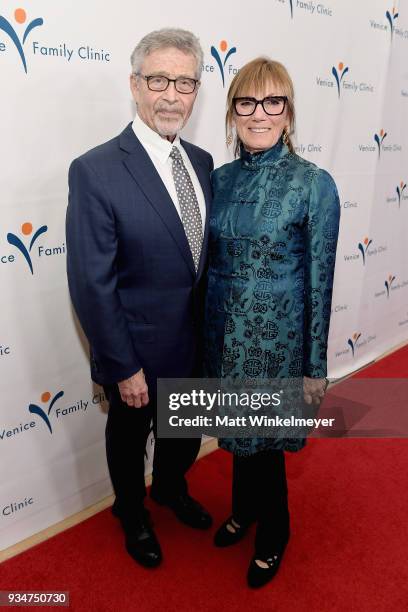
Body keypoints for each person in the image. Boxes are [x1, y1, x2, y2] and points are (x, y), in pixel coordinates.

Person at [66, 28, 213, 569]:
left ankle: (170, 490)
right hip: (136, 357)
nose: (172, 95)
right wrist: (122, 365)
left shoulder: (201, 161)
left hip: (195, 346)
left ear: (197, 90)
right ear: (134, 84)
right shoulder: (96, 169)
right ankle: (132, 512)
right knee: (130, 446)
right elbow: (90, 282)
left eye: (185, 82)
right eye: (159, 80)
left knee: (183, 437)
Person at [204, 57, 340, 588]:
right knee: (238, 438)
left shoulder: (313, 184)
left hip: (276, 343)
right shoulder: (219, 178)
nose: (259, 114)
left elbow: (320, 281)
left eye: (272, 102)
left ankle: (273, 532)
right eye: (247, 103)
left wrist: (314, 366)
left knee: (266, 449)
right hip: (224, 336)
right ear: (233, 111)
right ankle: (243, 511)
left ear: (288, 112)